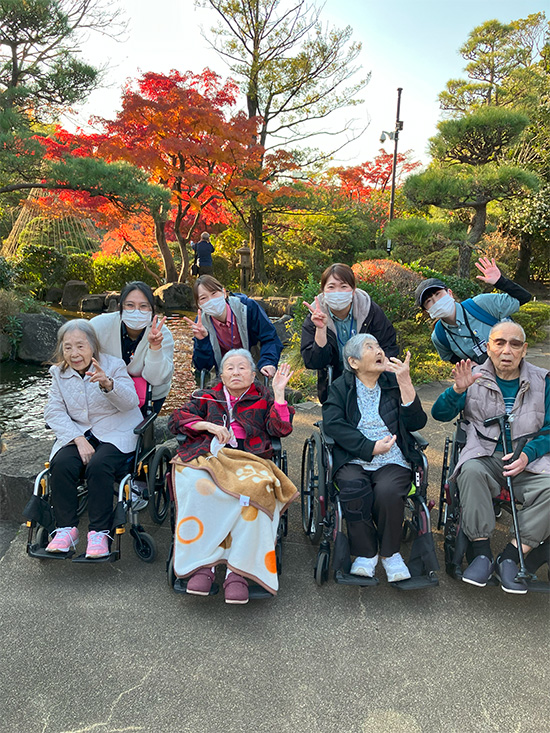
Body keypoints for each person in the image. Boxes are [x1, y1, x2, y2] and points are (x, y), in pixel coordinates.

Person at [168, 349, 298, 603]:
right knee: (197, 486)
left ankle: (237, 572)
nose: (236, 372)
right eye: (230, 368)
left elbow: (280, 428)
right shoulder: (207, 396)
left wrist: (280, 394)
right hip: (209, 456)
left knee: (256, 490)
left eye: (242, 367)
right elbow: (176, 419)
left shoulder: (264, 396)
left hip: (250, 458)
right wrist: (208, 425)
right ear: (221, 375)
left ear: (252, 374)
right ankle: (203, 566)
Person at [431, 321, 550, 594]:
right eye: (499, 343)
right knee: (470, 471)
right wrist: (457, 391)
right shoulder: (473, 376)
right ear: (488, 347)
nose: (506, 350)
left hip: (527, 462)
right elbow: (439, 415)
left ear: (524, 350)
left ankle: (511, 555)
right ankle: (482, 552)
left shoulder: (543, 381)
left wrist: (527, 455)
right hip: (485, 456)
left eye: (515, 344)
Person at [322, 333, 427, 583]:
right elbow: (333, 424)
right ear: (354, 362)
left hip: (393, 457)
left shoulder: (392, 383)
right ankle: (365, 554)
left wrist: (405, 382)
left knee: (388, 491)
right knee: (354, 487)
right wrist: (368, 447)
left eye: (379, 345)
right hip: (353, 457)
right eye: (370, 347)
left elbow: (417, 422)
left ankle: (391, 554)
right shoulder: (341, 387)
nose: (379, 350)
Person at [43, 320, 144, 558]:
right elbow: (53, 411)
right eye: (68, 347)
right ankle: (66, 530)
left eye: (80, 345)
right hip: (80, 432)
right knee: (62, 464)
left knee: (99, 465)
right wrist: (77, 438)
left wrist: (108, 384)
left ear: (93, 345)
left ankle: (99, 533)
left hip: (116, 429)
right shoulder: (59, 373)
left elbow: (131, 401)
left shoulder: (114, 365)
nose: (74, 353)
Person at [301, 263, 398, 403]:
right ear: (323, 292)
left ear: (353, 290)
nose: (337, 292)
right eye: (331, 287)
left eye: (344, 286)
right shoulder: (315, 317)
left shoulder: (370, 311)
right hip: (335, 381)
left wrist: (384, 362)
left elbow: (388, 344)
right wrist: (321, 330)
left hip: (371, 376)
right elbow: (314, 362)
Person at [415, 256, 531, 365]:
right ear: (426, 311)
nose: (436, 302)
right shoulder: (439, 336)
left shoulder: (481, 304)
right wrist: (468, 365)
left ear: (449, 293)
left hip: (515, 371)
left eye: (438, 294)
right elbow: (450, 357)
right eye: (429, 301)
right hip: (483, 382)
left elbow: (524, 297)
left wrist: (500, 281)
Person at [90, 281, 174, 415]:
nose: (136, 311)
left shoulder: (163, 334)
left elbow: (156, 379)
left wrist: (155, 347)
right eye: (130, 305)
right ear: (120, 307)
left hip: (150, 394)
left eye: (143, 306)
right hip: (108, 388)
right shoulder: (99, 325)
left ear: (152, 310)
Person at [183, 275, 283, 379]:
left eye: (214, 293)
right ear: (199, 304)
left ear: (224, 293)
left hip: (254, 370)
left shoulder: (247, 308)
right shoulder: (201, 323)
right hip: (223, 376)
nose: (211, 300)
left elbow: (270, 338)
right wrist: (202, 341)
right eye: (204, 298)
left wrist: (268, 362)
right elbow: (203, 367)